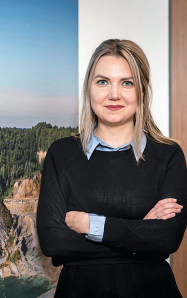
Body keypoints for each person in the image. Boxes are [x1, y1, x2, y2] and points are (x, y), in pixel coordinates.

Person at [36, 39, 187, 298]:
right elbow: (53, 243)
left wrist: (90, 224)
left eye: (126, 83)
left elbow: (167, 240)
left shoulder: (169, 155)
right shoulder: (61, 154)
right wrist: (140, 230)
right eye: (102, 81)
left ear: (142, 91)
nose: (114, 94)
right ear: (89, 89)